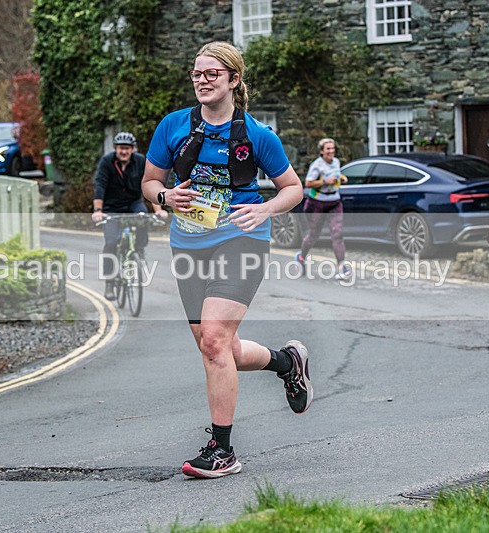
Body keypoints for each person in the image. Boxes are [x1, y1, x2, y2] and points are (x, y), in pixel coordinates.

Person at [142, 41, 313, 479]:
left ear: (233, 80)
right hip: (189, 244)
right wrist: (165, 196)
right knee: (218, 348)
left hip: (243, 238)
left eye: (211, 74)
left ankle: (222, 450)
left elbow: (294, 188)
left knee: (215, 341)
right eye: (197, 73)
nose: (202, 80)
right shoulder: (173, 126)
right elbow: (149, 181)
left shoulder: (257, 135)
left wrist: (266, 208)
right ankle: (286, 362)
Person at [92, 131, 168, 300]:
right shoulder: (107, 162)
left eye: (127, 148)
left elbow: (150, 186)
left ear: (132, 149)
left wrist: (158, 210)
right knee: (111, 243)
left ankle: (138, 249)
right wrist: (98, 211)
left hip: (134, 203)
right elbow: (100, 186)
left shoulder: (140, 161)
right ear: (115, 149)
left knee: (143, 219)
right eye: (120, 149)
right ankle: (110, 282)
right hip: (112, 207)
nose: (124, 152)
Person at [295, 138, 352, 280]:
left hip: (334, 201)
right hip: (318, 203)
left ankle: (341, 268)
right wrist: (325, 181)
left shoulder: (336, 162)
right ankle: (301, 257)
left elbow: (336, 175)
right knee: (314, 235)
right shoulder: (317, 165)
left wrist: (342, 178)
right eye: (328, 149)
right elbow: (308, 183)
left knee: (337, 234)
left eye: (333, 148)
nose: (331, 151)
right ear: (322, 151)